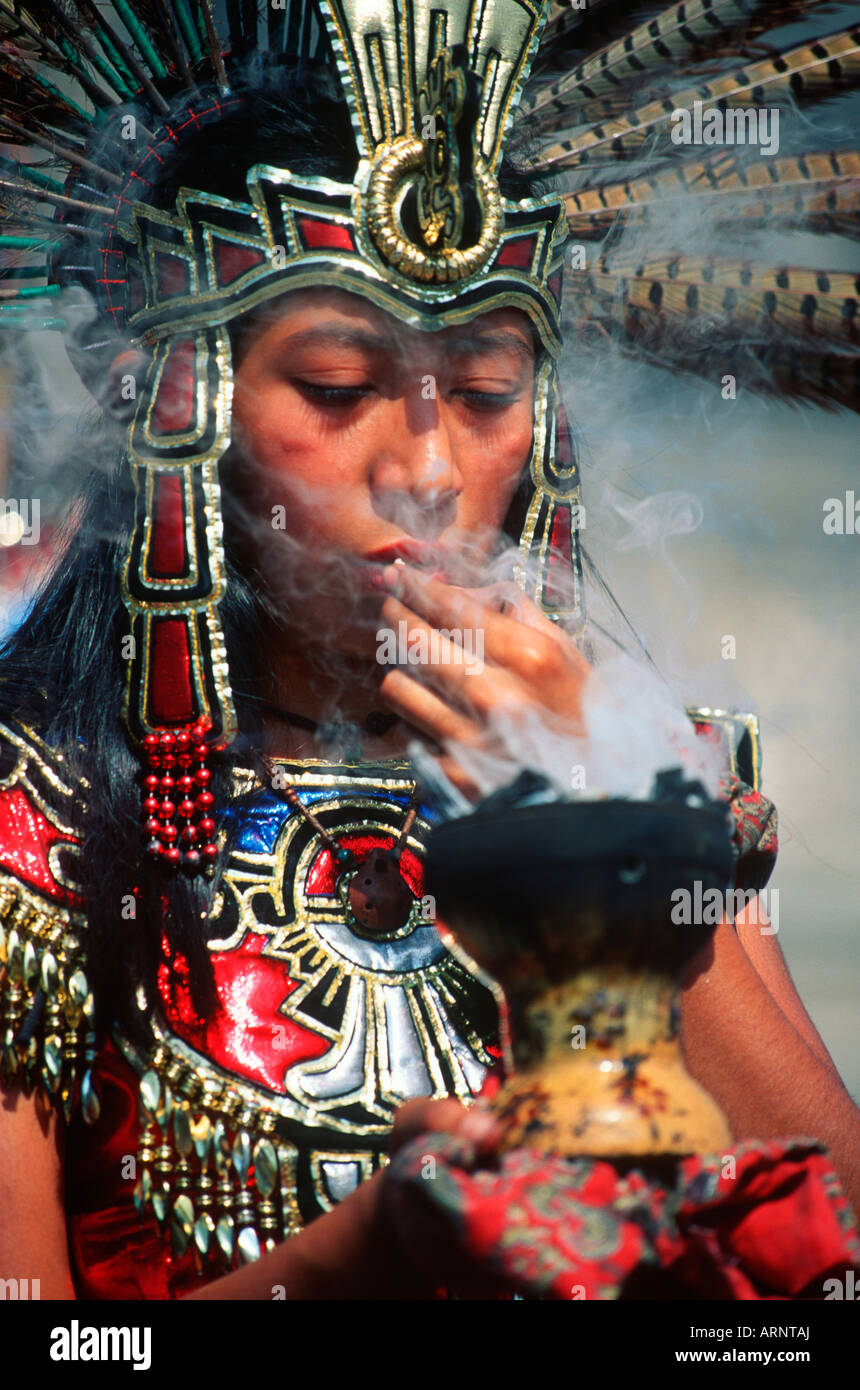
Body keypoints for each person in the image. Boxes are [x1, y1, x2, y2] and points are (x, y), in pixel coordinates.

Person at [0, 1, 858, 1301]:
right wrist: (366, 1256)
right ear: (193, 411)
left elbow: (834, 1265)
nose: (426, 469)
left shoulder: (655, 770)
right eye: (339, 390)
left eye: (485, 392)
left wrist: (617, 813)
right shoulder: (34, 833)